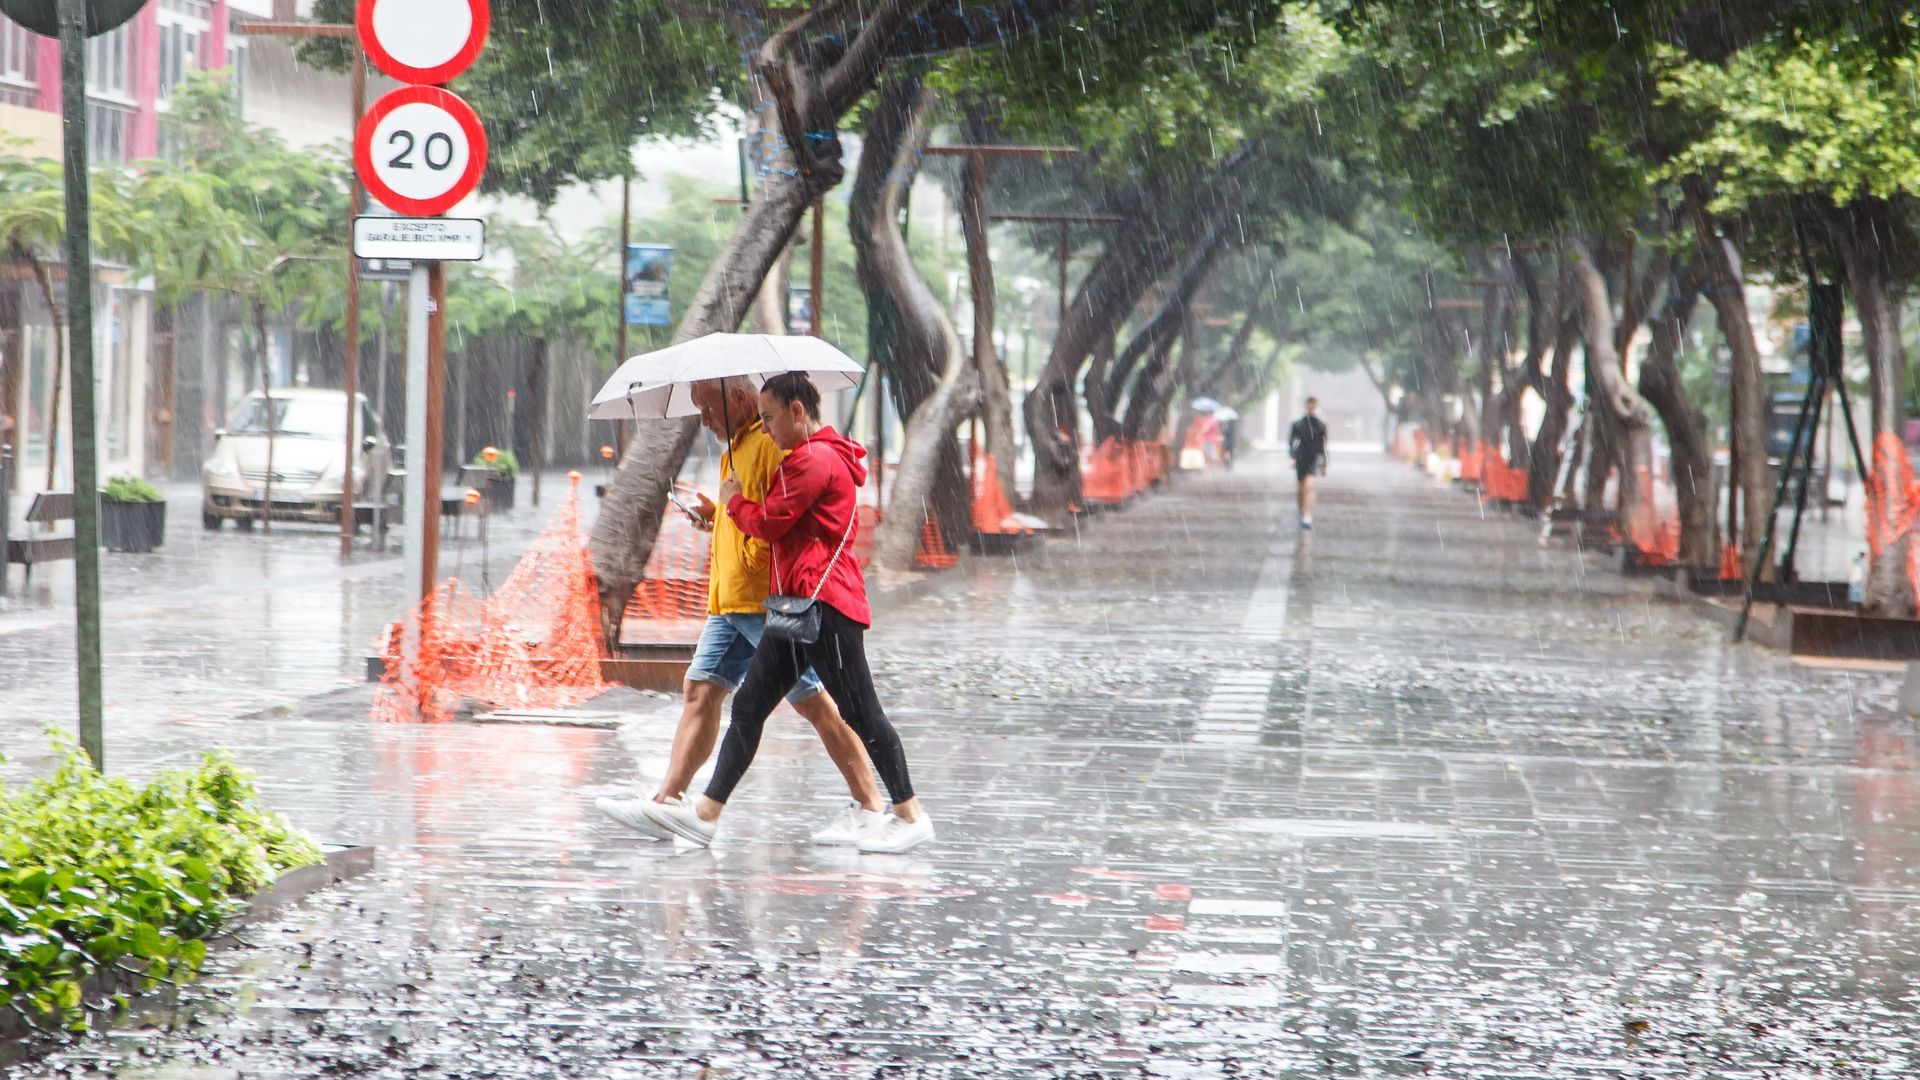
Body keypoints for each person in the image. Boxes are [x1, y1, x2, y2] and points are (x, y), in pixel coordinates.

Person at [644, 372, 935, 854]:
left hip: (825, 606)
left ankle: (909, 813)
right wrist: (727, 510)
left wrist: (734, 501)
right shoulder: (809, 456)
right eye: (762, 418)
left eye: (771, 417)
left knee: (860, 712)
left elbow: (771, 522)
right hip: (797, 606)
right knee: (750, 705)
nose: (768, 428)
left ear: (797, 411)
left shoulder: (815, 459)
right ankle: (706, 813)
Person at [1289, 397, 1328, 530]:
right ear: (1306, 407)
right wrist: (1292, 457)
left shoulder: (1321, 426)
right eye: (1310, 407)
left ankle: (1307, 517)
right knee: (1301, 489)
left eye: (1313, 407)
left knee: (1310, 487)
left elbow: (1324, 446)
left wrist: (1325, 464)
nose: (1312, 409)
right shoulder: (1298, 425)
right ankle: (1302, 512)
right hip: (1301, 459)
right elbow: (1292, 442)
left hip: (1314, 459)